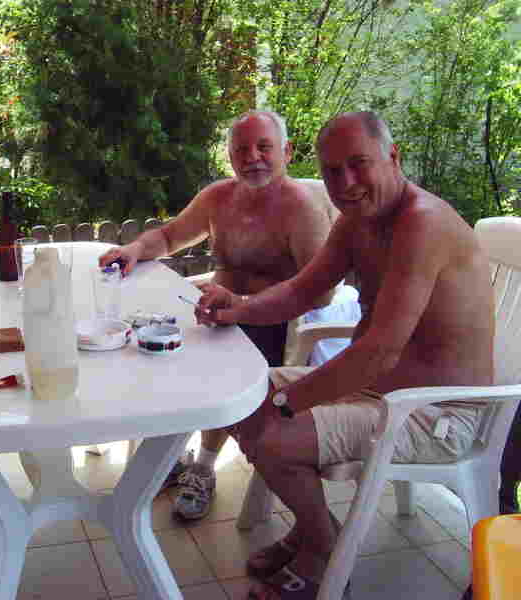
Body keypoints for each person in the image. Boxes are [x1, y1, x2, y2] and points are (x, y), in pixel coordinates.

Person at [196, 111, 494, 600]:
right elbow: (302, 290)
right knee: (236, 399)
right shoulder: (359, 222)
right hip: (378, 389)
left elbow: (379, 351)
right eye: (333, 171)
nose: (346, 183)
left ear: (393, 157)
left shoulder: (422, 224)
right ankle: (317, 531)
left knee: (273, 434)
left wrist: (287, 403)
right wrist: (239, 308)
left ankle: (322, 554)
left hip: (439, 411)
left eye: (359, 164)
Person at [99, 110, 337, 520]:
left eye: (264, 147)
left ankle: (204, 467)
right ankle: (169, 452)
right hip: (213, 310)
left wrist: (242, 303)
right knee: (147, 343)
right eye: (241, 149)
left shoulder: (301, 208)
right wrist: (134, 250)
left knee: (208, 366)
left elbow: (320, 292)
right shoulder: (219, 197)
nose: (253, 157)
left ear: (286, 152)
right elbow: (170, 236)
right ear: (230, 156)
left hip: (271, 321)